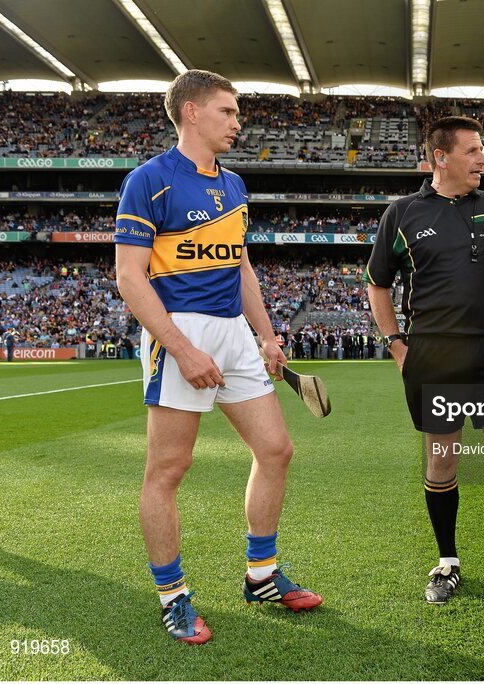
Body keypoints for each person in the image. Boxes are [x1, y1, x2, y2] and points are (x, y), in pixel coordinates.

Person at [114, 69, 322, 646]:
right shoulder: (148, 181)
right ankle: (173, 597)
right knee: (168, 470)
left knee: (276, 448)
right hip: (178, 329)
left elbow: (242, 267)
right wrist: (180, 349)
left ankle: (260, 575)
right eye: (227, 112)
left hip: (233, 330)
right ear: (191, 113)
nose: (237, 123)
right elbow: (130, 279)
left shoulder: (234, 186)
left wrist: (268, 335)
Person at [363, 116, 484, 610]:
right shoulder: (402, 213)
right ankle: (446, 562)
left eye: (483, 150)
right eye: (473, 151)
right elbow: (377, 283)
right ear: (440, 157)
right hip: (435, 359)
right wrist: (397, 345)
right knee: (442, 461)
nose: (483, 160)